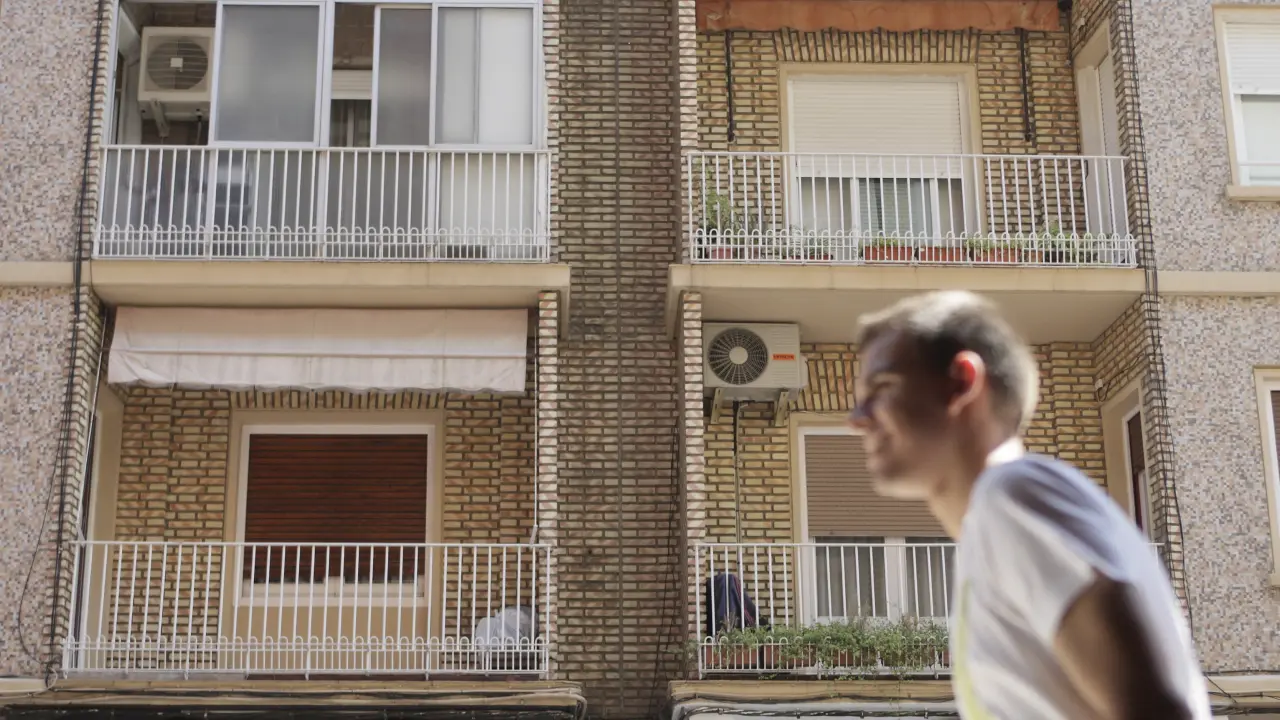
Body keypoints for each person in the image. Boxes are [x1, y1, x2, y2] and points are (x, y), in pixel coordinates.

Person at [848, 290, 1210, 720]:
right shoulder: (995, 525)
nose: (858, 418)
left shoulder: (1011, 496)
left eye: (883, 388)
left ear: (962, 382)